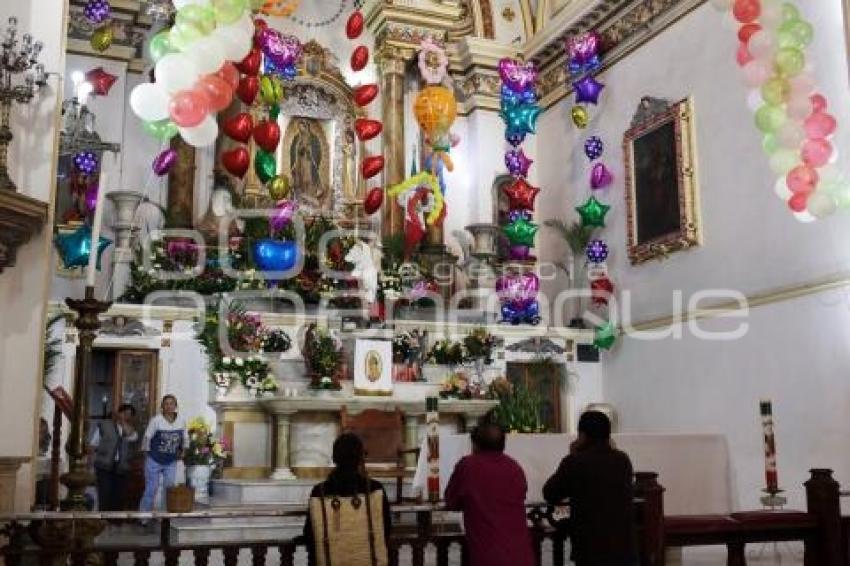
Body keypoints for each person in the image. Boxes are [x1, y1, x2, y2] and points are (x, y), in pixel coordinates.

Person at [543, 411, 637, 566]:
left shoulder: (575, 462)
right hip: (624, 548)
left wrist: (572, 454)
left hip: (591, 550)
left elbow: (550, 493)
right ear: (608, 435)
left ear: (582, 435)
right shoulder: (623, 460)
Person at [444, 421, 534, 566]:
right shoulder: (514, 467)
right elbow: (521, 495)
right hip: (521, 554)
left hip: (487, 554)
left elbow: (451, 501)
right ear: (503, 444)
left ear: (474, 444)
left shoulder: (468, 466)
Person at [302, 433, 391, 566]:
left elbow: (310, 534)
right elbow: (385, 529)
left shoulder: (318, 492)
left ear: (334, 458)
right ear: (361, 458)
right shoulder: (375, 489)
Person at [139, 395, 188, 517]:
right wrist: (146, 454)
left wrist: (184, 451)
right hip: (154, 459)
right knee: (151, 489)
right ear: (162, 406)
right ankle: (144, 517)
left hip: (170, 460)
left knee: (169, 489)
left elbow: (185, 438)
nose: (169, 406)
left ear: (175, 406)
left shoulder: (181, 420)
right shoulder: (156, 420)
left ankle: (164, 517)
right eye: (166, 404)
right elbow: (147, 438)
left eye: (171, 403)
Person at [88, 403, 138, 511]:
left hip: (121, 467)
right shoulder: (104, 425)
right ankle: (103, 521)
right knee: (104, 493)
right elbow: (93, 445)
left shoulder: (132, 430)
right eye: (124, 413)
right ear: (119, 413)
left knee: (118, 495)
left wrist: (123, 423)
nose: (126, 416)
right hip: (103, 465)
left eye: (129, 415)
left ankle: (115, 522)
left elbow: (131, 436)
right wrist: (90, 464)